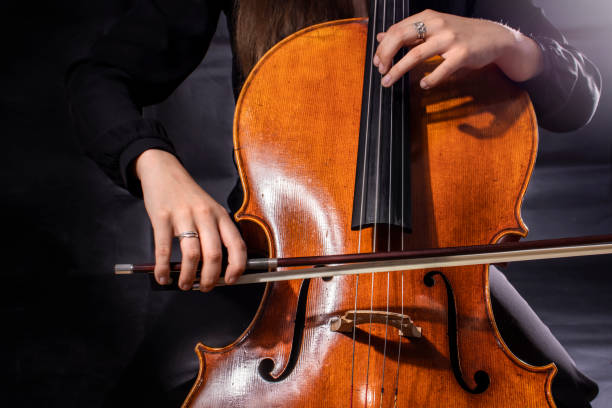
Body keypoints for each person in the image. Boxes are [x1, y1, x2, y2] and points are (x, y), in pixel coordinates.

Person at [66, 0, 601, 406]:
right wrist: (154, 164)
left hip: (436, 264)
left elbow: (579, 93)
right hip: (276, 257)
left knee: (564, 395)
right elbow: (99, 79)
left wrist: (515, 45)